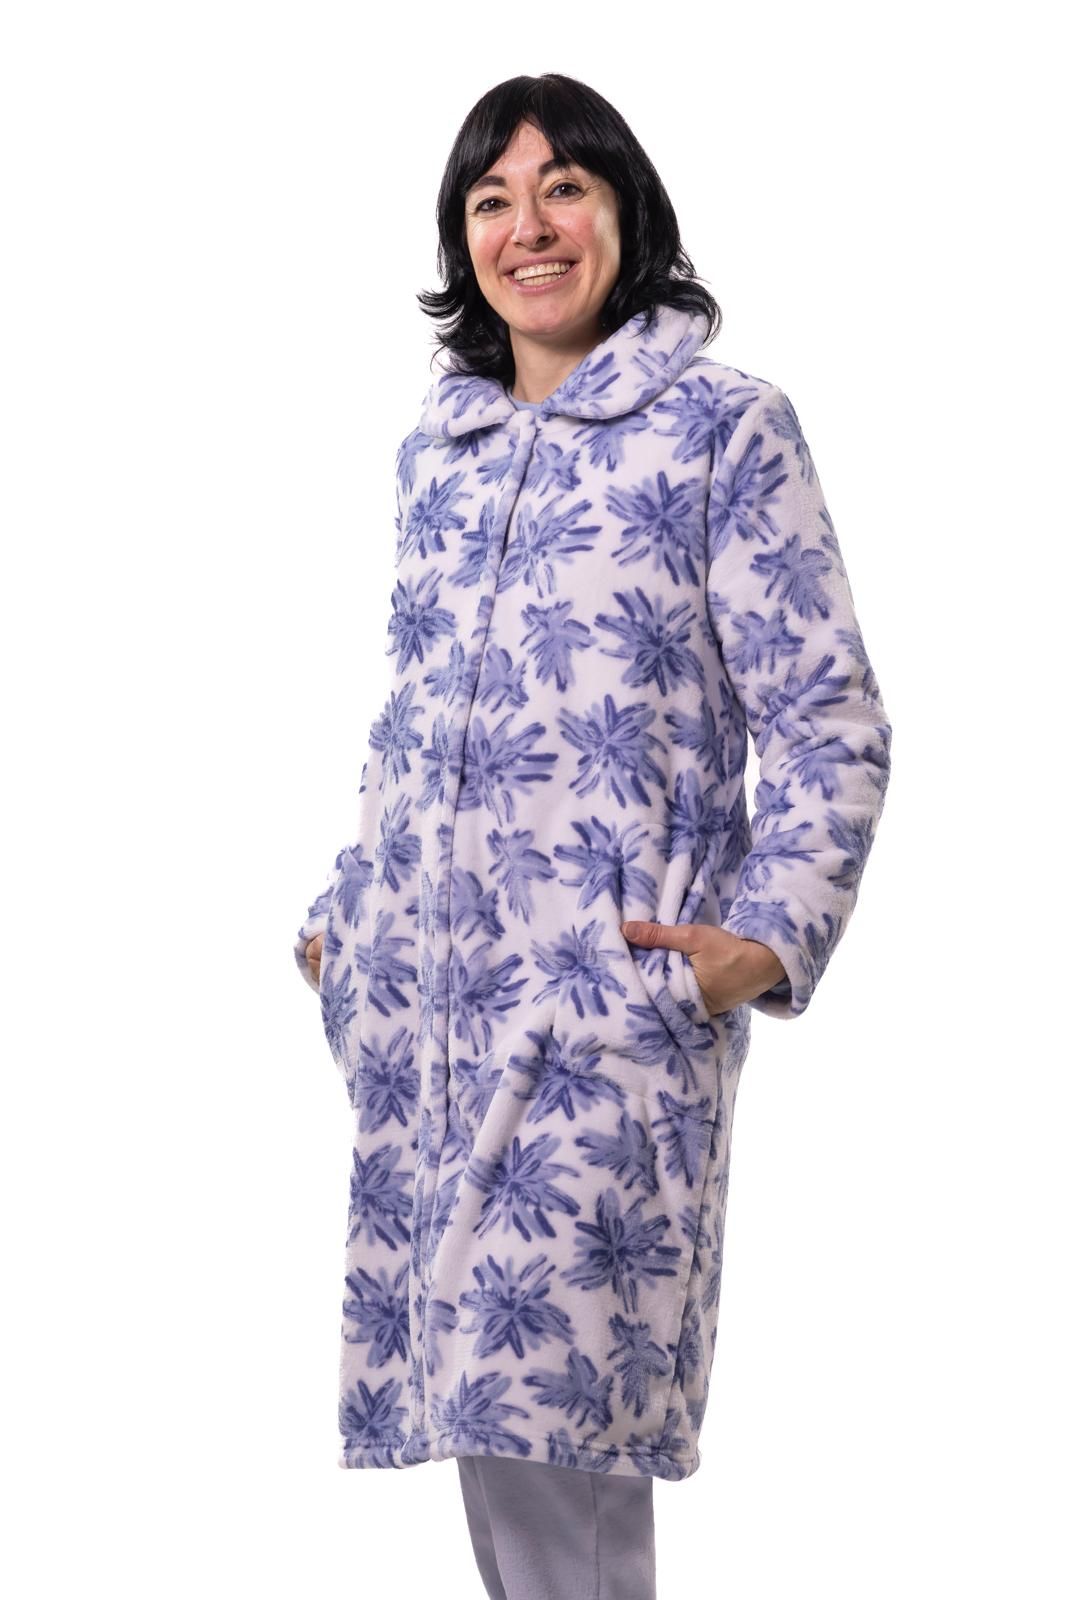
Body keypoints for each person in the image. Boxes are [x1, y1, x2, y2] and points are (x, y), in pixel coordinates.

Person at [294, 72, 892, 1600]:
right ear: (463, 241)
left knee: (566, 1453)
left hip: (601, 1018)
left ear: (627, 210)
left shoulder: (725, 429)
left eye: (564, 186)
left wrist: (759, 942)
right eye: (491, 200)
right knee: (491, 1446)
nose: (530, 226)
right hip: (432, 1017)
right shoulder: (440, 455)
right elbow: (414, 708)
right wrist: (347, 916)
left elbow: (825, 712)